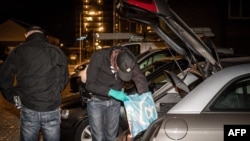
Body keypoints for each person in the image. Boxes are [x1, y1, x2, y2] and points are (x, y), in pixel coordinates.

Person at [0, 25, 69, 141]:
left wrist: (14, 98)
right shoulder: (55, 51)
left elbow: (3, 78)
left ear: (26, 35)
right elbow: (64, 78)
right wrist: (54, 92)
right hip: (51, 107)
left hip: (28, 106)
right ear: (43, 35)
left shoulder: (18, 51)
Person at [85, 46, 149, 141]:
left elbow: (139, 78)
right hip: (96, 101)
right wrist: (111, 92)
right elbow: (89, 85)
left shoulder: (129, 59)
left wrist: (145, 99)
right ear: (116, 65)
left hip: (115, 102)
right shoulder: (99, 57)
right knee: (98, 137)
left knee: (112, 136)